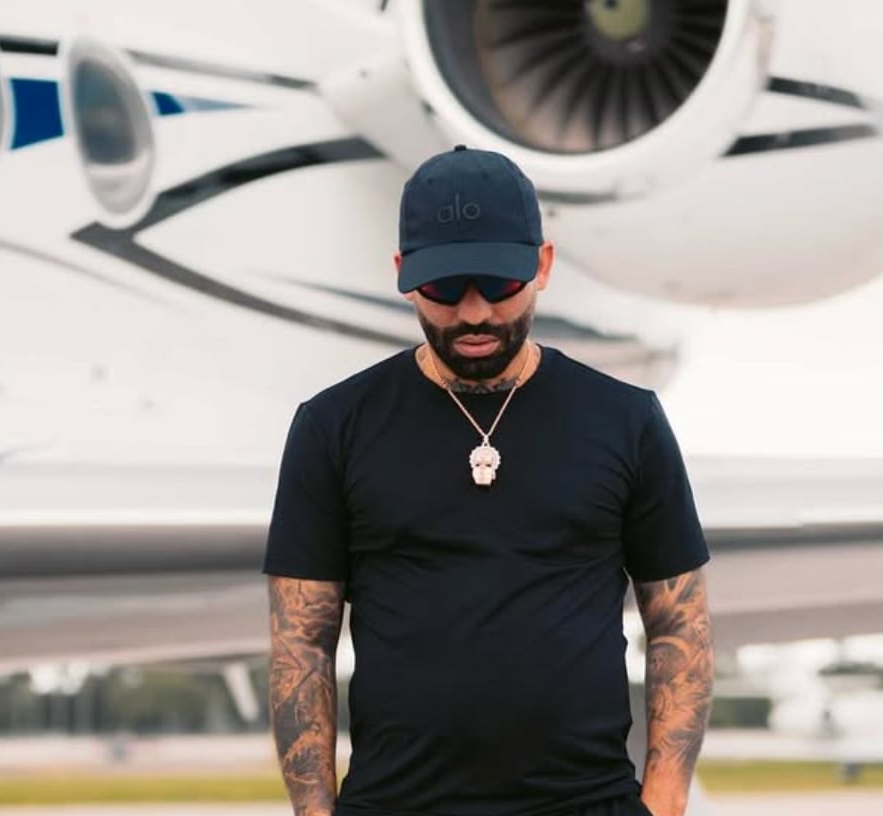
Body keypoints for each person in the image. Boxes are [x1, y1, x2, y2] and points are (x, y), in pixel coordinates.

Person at [264, 145, 713, 816]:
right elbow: (300, 641)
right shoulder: (333, 427)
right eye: (444, 289)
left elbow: (679, 620)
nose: (473, 313)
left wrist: (666, 801)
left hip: (586, 804)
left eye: (498, 285)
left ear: (542, 265)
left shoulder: (626, 420)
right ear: (403, 275)